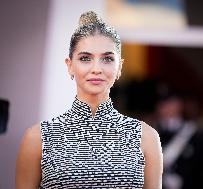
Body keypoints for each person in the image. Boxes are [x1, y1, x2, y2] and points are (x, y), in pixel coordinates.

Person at [16, 11, 163, 189]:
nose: (96, 69)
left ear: (120, 67)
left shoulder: (146, 137)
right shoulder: (38, 137)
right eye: (85, 58)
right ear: (69, 65)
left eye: (107, 59)